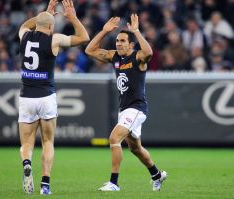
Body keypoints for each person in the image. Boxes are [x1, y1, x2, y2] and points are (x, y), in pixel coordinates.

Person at [85, 14, 167, 191]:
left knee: (114, 138)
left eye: (123, 41)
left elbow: (149, 52)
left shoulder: (138, 57)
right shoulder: (114, 57)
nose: (119, 44)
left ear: (131, 44)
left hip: (137, 108)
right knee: (135, 148)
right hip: (125, 109)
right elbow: (89, 50)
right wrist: (104, 31)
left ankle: (114, 183)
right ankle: (157, 175)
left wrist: (136, 31)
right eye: (117, 41)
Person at [18, 0, 89, 195]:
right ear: (50, 26)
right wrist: (72, 17)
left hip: (26, 96)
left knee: (26, 143)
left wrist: (45, 13)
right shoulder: (54, 39)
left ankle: (26, 162)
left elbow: (25, 25)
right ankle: (45, 185)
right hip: (46, 96)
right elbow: (84, 37)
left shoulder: (24, 36)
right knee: (48, 142)